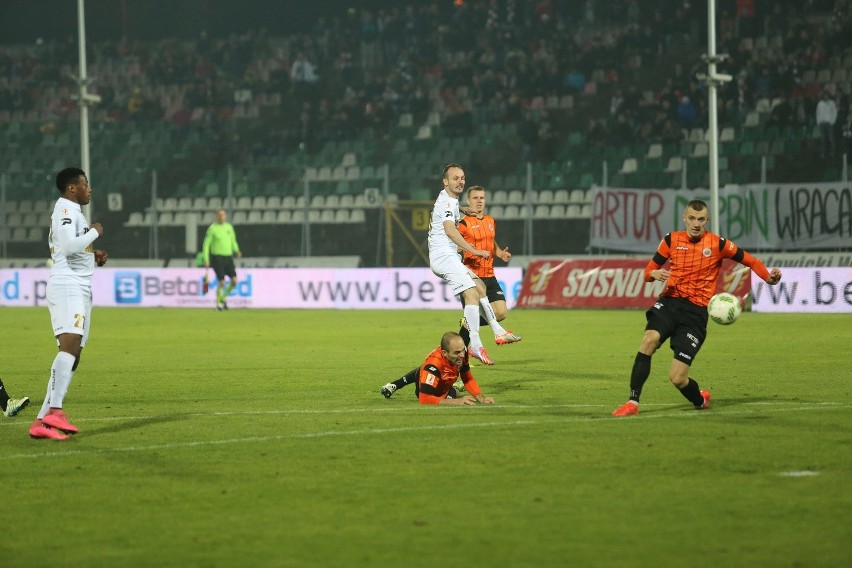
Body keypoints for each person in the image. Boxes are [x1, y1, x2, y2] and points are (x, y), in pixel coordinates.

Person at [612, 199, 782, 417]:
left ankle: (700, 400)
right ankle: (632, 402)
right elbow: (647, 273)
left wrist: (768, 277)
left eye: (701, 219)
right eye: (691, 218)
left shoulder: (718, 244)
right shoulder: (671, 240)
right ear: (684, 218)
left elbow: (750, 260)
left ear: (707, 220)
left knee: (678, 378)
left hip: (695, 313)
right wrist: (653, 274)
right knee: (649, 340)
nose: (695, 223)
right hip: (670, 302)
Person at [30, 167, 107, 440]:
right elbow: (68, 246)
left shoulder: (74, 213)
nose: (90, 189)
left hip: (81, 287)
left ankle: (42, 421)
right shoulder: (65, 210)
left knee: (74, 355)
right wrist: (95, 232)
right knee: (70, 344)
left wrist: (92, 253)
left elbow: (77, 247)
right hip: (68, 284)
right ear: (72, 188)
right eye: (86, 184)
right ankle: (55, 410)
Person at [428, 164, 513, 366]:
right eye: (455, 178)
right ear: (445, 181)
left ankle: (497, 331)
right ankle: (474, 343)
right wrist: (474, 250)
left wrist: (463, 208)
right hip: (444, 256)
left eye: (462, 178)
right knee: (472, 293)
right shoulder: (448, 202)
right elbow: (450, 230)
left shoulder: (448, 199)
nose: (460, 181)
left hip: (447, 256)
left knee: (479, 287)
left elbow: (450, 211)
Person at [456, 185, 521, 347]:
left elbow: (490, 240)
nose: (479, 201)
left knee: (501, 312)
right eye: (475, 198)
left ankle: (467, 322)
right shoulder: (463, 224)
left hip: (490, 275)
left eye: (481, 198)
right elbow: (455, 245)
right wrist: (468, 251)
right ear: (468, 201)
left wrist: (500, 253)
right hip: (472, 277)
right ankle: (461, 360)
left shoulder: (490, 221)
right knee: (474, 326)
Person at [382, 332, 495, 405]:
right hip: (432, 389)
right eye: (457, 352)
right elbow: (425, 399)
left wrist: (482, 399)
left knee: (447, 386)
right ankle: (396, 384)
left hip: (445, 381)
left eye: (462, 350)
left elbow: (467, 378)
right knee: (448, 392)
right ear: (445, 353)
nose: (461, 355)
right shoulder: (433, 365)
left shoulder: (462, 354)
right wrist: (457, 402)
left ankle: (454, 386)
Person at [202, 208, 242, 310]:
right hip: (217, 257)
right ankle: (217, 304)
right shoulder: (212, 229)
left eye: (223, 215)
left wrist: (236, 250)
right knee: (222, 281)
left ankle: (222, 298)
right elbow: (206, 245)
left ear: (226, 216)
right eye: (219, 215)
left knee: (234, 281)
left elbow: (233, 241)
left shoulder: (229, 227)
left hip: (228, 257)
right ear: (216, 216)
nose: (221, 217)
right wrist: (206, 259)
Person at [815, 90, 837, 159]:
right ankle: (823, 153)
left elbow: (835, 112)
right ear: (822, 96)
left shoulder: (832, 103)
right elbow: (817, 113)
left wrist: (832, 122)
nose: (825, 96)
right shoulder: (820, 103)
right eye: (824, 95)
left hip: (829, 123)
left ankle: (832, 153)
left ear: (828, 95)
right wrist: (819, 122)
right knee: (823, 140)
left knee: (831, 139)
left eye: (826, 95)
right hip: (822, 123)